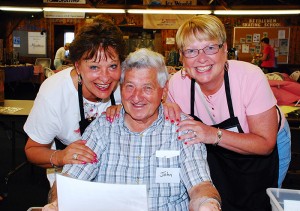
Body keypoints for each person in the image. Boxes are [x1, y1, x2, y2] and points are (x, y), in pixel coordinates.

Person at [43, 48, 221, 211]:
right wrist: (57, 203)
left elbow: (200, 186)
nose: (137, 97)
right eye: (130, 87)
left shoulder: (182, 129)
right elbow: (70, 179)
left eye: (147, 88)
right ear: (120, 88)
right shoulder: (103, 128)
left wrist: (207, 204)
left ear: (163, 91)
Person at [166, 15, 291, 211]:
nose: (201, 59)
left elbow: (265, 144)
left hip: (267, 146)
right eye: (191, 51)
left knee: (265, 202)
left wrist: (210, 133)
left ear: (225, 49)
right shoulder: (177, 86)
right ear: (181, 57)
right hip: (218, 153)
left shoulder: (249, 77)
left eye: (210, 48)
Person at [23, 17, 126, 185]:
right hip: (70, 177)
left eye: (113, 66)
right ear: (78, 66)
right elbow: (32, 150)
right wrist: (60, 156)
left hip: (116, 175)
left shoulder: (127, 86)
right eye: (94, 67)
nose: (105, 77)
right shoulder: (54, 92)